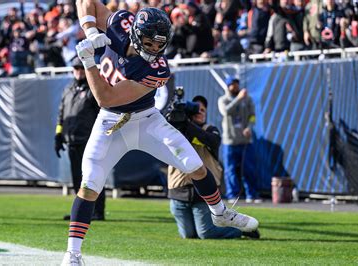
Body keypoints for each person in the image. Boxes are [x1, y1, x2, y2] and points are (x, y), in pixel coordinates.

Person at [62, 3, 259, 264]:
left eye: (159, 45)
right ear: (133, 33)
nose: (154, 50)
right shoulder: (120, 23)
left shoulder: (158, 70)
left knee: (194, 164)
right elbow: (84, 3)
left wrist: (89, 62)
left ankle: (220, 212)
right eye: (149, 43)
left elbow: (105, 96)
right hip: (110, 124)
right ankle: (73, 253)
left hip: (145, 120)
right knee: (89, 185)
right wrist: (89, 29)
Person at [168, 95, 260, 239]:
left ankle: (240, 230)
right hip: (178, 191)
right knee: (188, 235)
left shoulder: (211, 130)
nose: (200, 112)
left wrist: (186, 122)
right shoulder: (176, 130)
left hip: (203, 194)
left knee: (205, 233)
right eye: (196, 109)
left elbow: (210, 141)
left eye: (203, 110)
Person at [55, 55, 106, 221]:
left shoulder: (93, 88)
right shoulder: (68, 89)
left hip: (89, 140)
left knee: (93, 176)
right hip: (72, 140)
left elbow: (102, 112)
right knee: (78, 178)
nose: (78, 71)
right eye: (76, 68)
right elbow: (62, 114)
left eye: (81, 68)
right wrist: (58, 134)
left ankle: (97, 211)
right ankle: (81, 211)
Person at [218, 77, 261, 203]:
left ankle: (252, 195)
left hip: (246, 141)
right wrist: (238, 99)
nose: (236, 87)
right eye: (233, 85)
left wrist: (249, 127)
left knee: (249, 169)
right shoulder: (223, 100)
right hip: (230, 141)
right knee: (230, 170)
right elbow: (226, 111)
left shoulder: (248, 99)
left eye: (237, 84)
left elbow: (252, 116)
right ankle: (233, 195)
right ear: (228, 86)